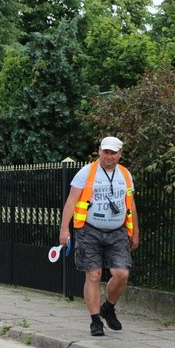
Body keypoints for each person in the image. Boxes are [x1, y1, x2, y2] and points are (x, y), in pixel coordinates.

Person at [59, 136, 140, 337]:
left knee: (122, 274)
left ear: (120, 153)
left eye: (113, 152)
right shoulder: (86, 172)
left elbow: (130, 203)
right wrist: (64, 229)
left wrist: (135, 231)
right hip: (89, 229)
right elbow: (71, 201)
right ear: (100, 151)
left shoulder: (125, 174)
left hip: (118, 230)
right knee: (93, 275)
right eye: (106, 152)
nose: (109, 156)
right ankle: (95, 321)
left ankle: (108, 307)